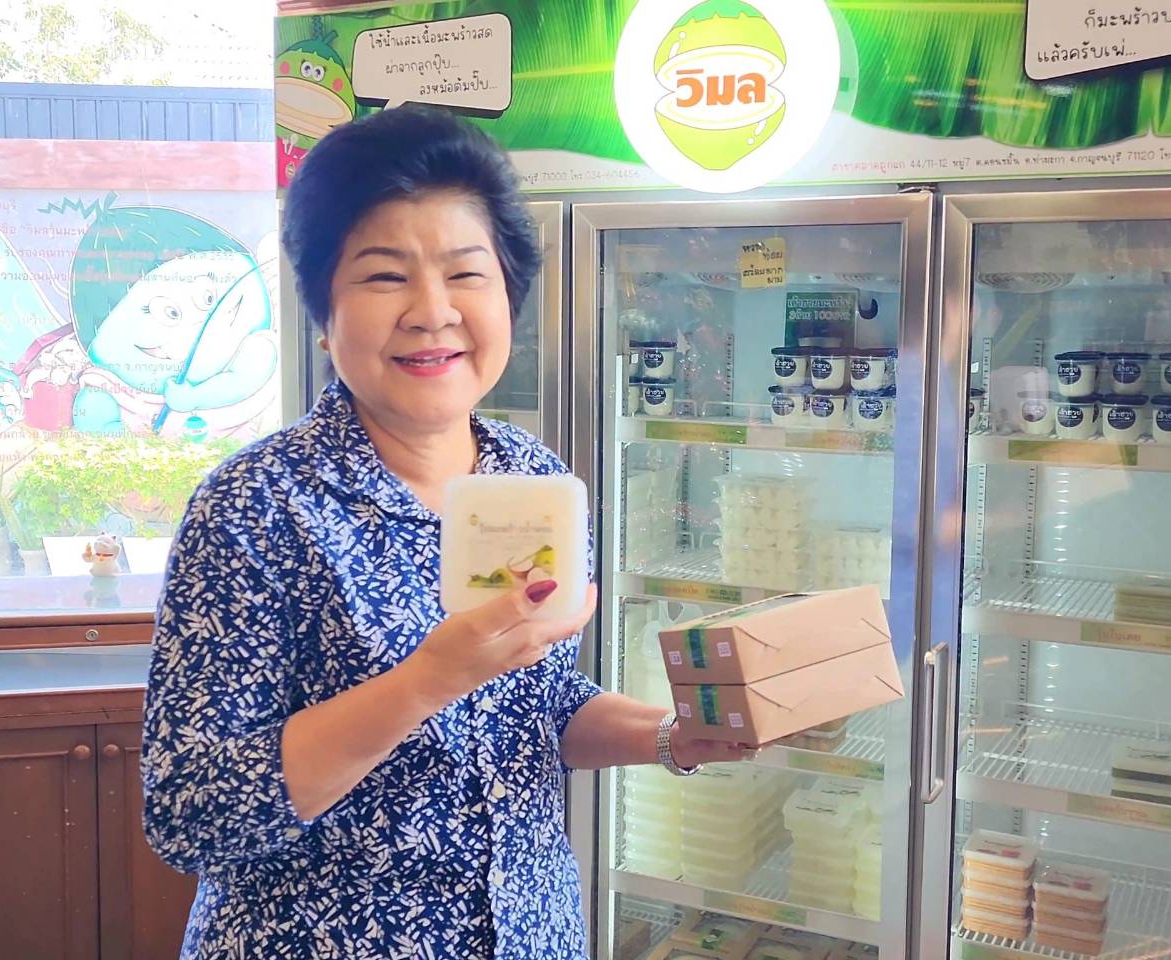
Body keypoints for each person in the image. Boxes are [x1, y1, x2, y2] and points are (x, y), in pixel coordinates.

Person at [141, 104, 751, 959]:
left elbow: (535, 708)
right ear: (323, 313)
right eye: (384, 277)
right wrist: (426, 681)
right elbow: (191, 812)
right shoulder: (255, 506)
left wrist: (669, 736)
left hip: (532, 935)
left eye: (466, 273)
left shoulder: (531, 478)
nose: (433, 312)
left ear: (508, 298)